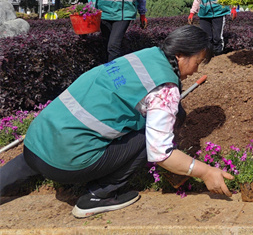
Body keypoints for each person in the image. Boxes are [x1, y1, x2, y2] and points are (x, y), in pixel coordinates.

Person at [0, 26, 234, 216]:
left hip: (35, 145)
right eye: (198, 62)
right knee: (147, 139)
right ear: (181, 54)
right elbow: (159, 152)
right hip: (66, 162)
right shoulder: (165, 89)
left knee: (169, 116)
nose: (195, 71)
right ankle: (97, 196)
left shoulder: (146, 55)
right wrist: (204, 171)